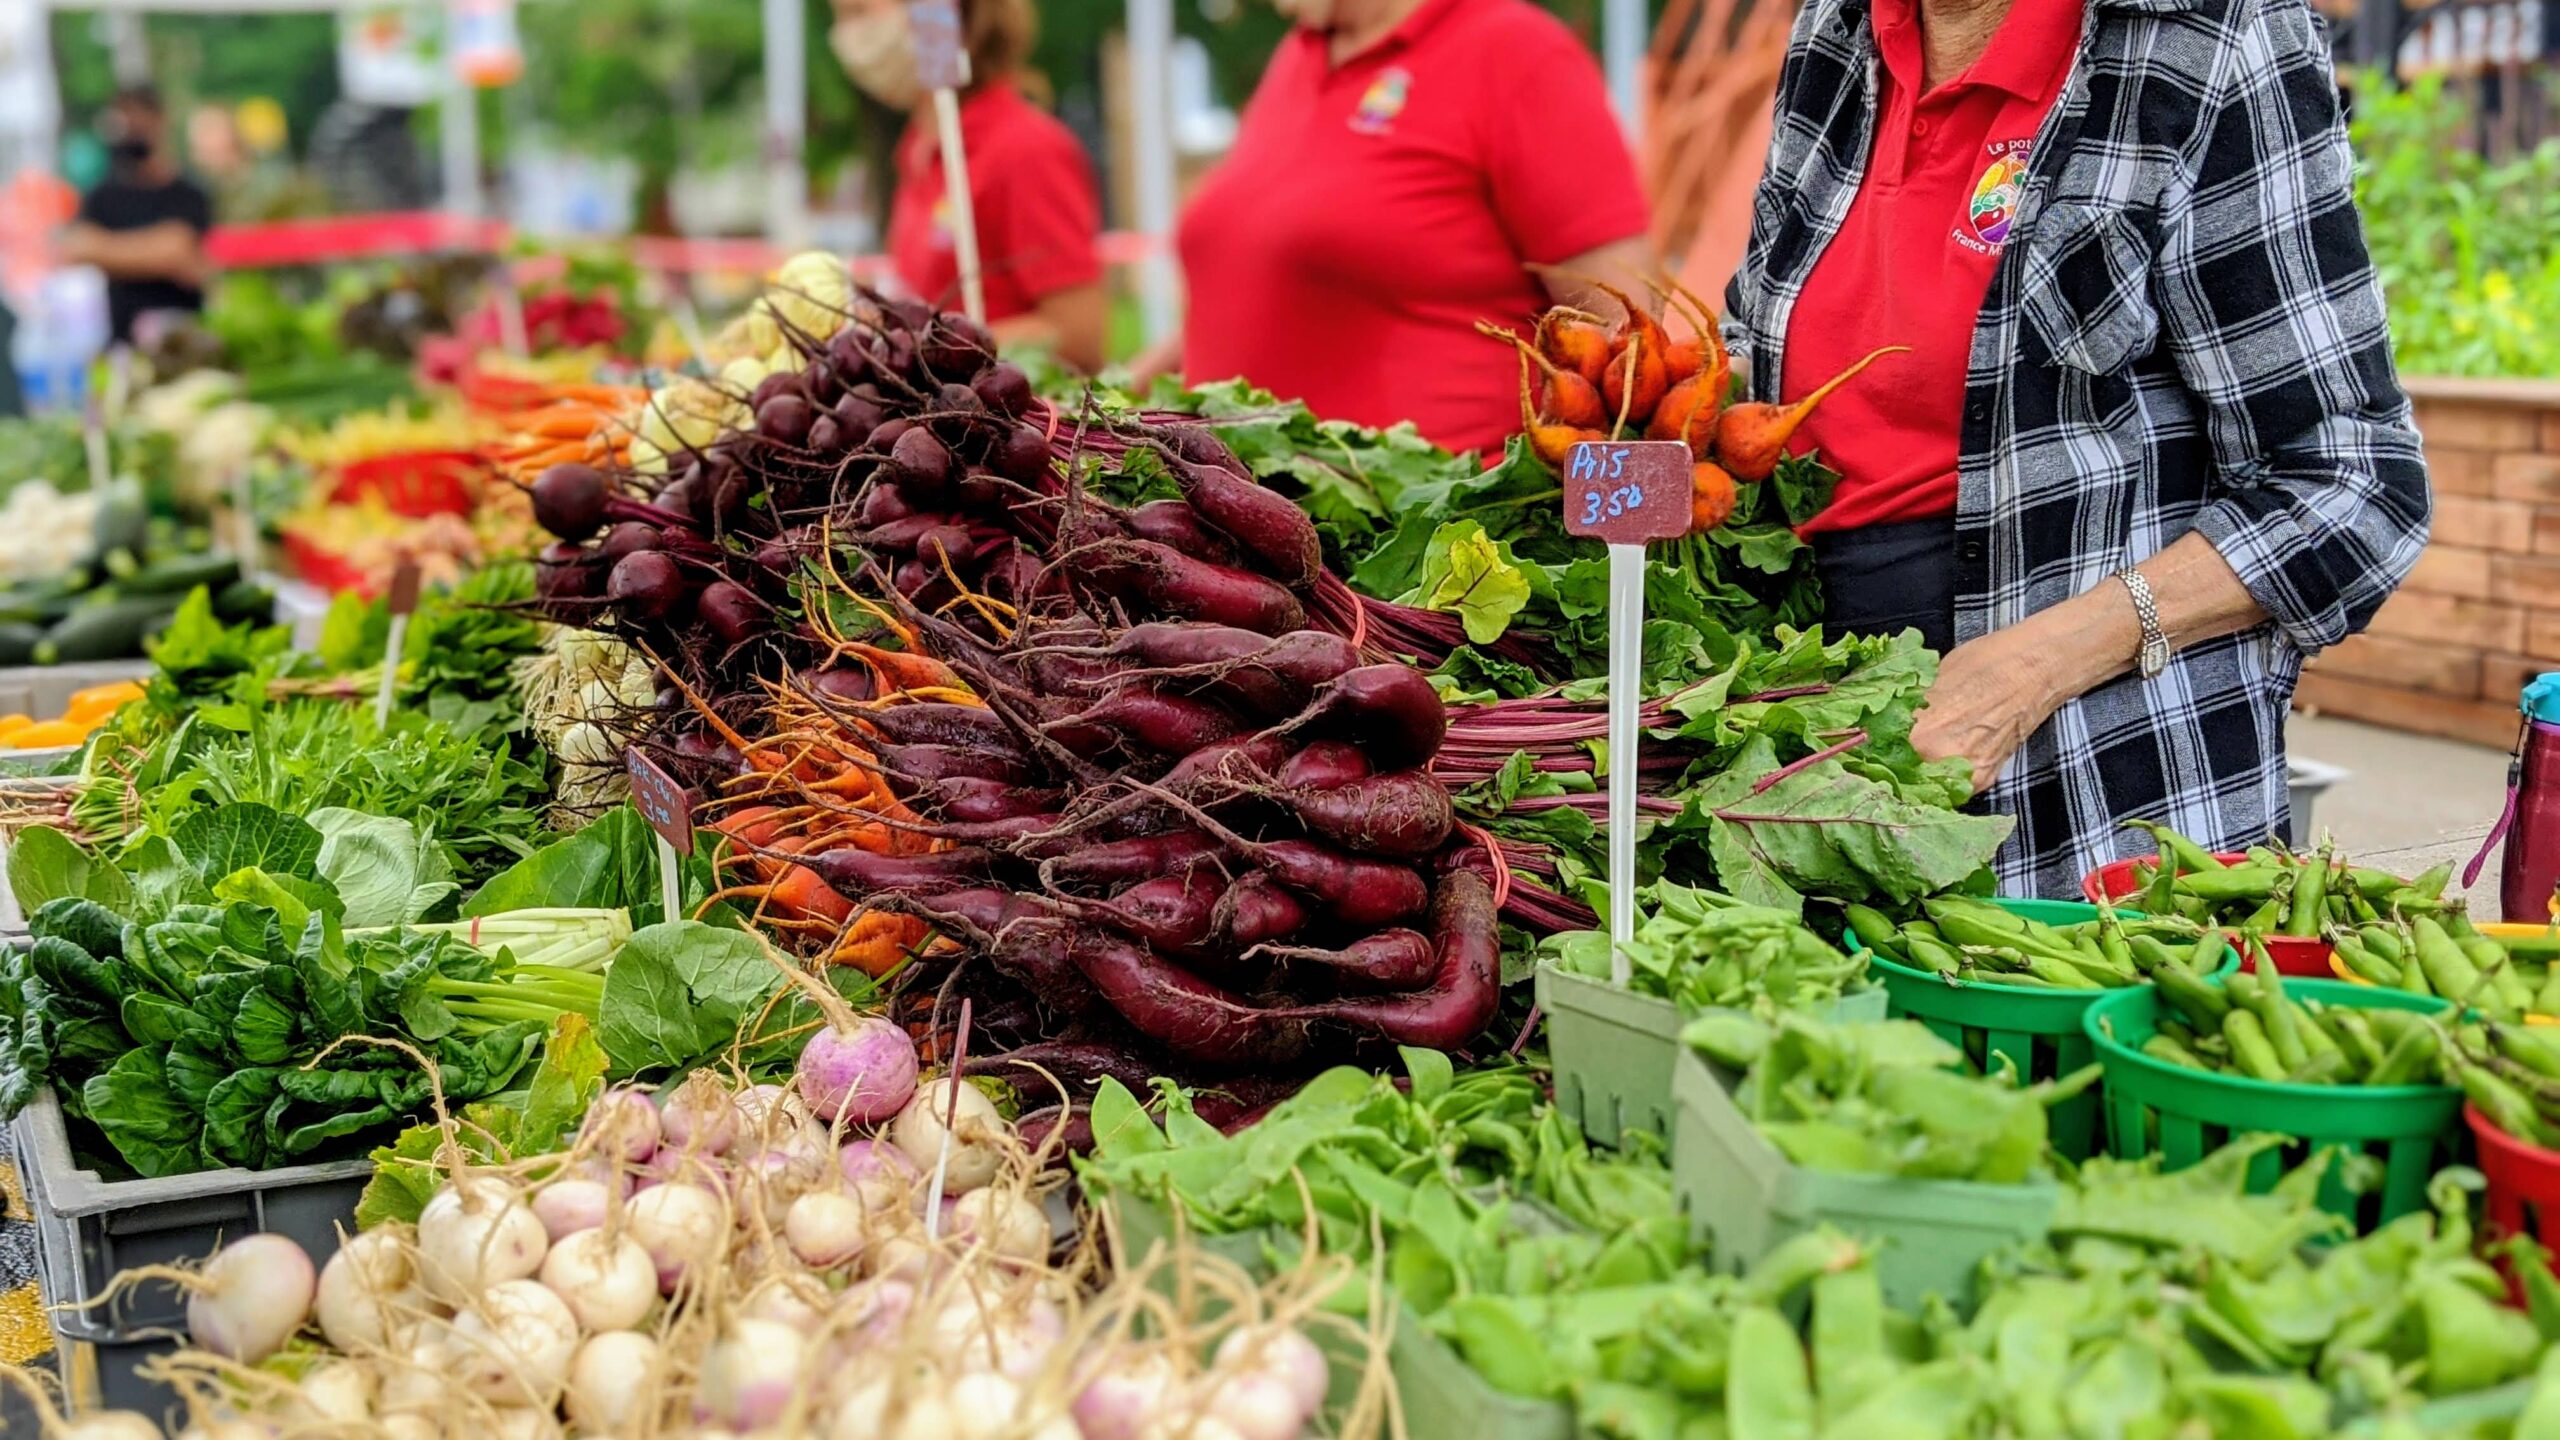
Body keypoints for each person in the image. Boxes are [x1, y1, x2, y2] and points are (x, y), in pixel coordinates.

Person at [1723, 0, 2430, 894]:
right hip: (1820, 774)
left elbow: (2354, 485)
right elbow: (1762, 341)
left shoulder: (2205, 39)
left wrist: (2036, 667)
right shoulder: (1837, 29)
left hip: (2087, 802)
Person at [1139, 0, 1654, 456]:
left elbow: (1625, 341)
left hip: (1427, 542)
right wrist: (1106, 401)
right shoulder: (1300, 54)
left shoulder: (1515, 53)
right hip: (1245, 530)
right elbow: (1256, 283)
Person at [831, 0, 1106, 372]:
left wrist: (923, 349)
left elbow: (1078, 336)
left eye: (859, 14)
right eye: (841, 17)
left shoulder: (1026, 150)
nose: (850, 39)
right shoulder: (918, 150)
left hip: (1008, 418)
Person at [59, 87, 213, 345]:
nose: (131, 127)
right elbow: (76, 247)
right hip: (124, 342)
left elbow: (183, 252)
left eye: (138, 116)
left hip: (189, 338)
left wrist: (107, 249)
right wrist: (158, 252)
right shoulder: (103, 195)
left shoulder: (191, 193)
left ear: (160, 119)